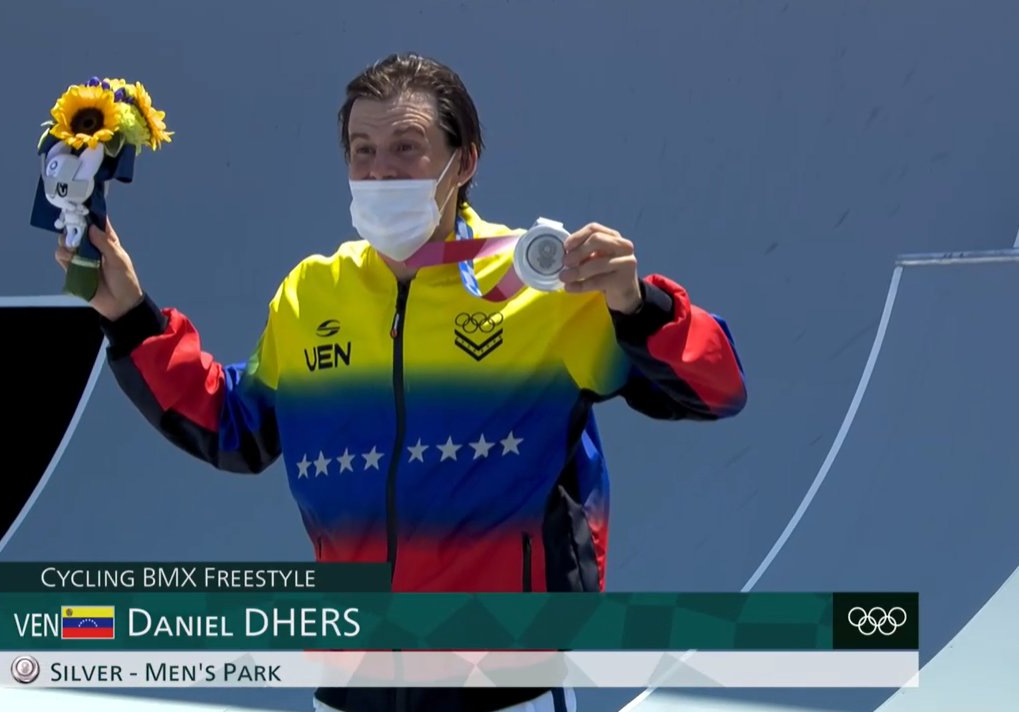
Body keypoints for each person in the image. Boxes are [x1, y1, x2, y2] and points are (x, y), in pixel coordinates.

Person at [56, 52, 747, 712]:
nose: (380, 172)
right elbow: (235, 427)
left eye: (406, 148)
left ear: (463, 161)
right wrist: (132, 319)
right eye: (362, 151)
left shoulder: (544, 288)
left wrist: (641, 306)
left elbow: (715, 390)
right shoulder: (311, 295)